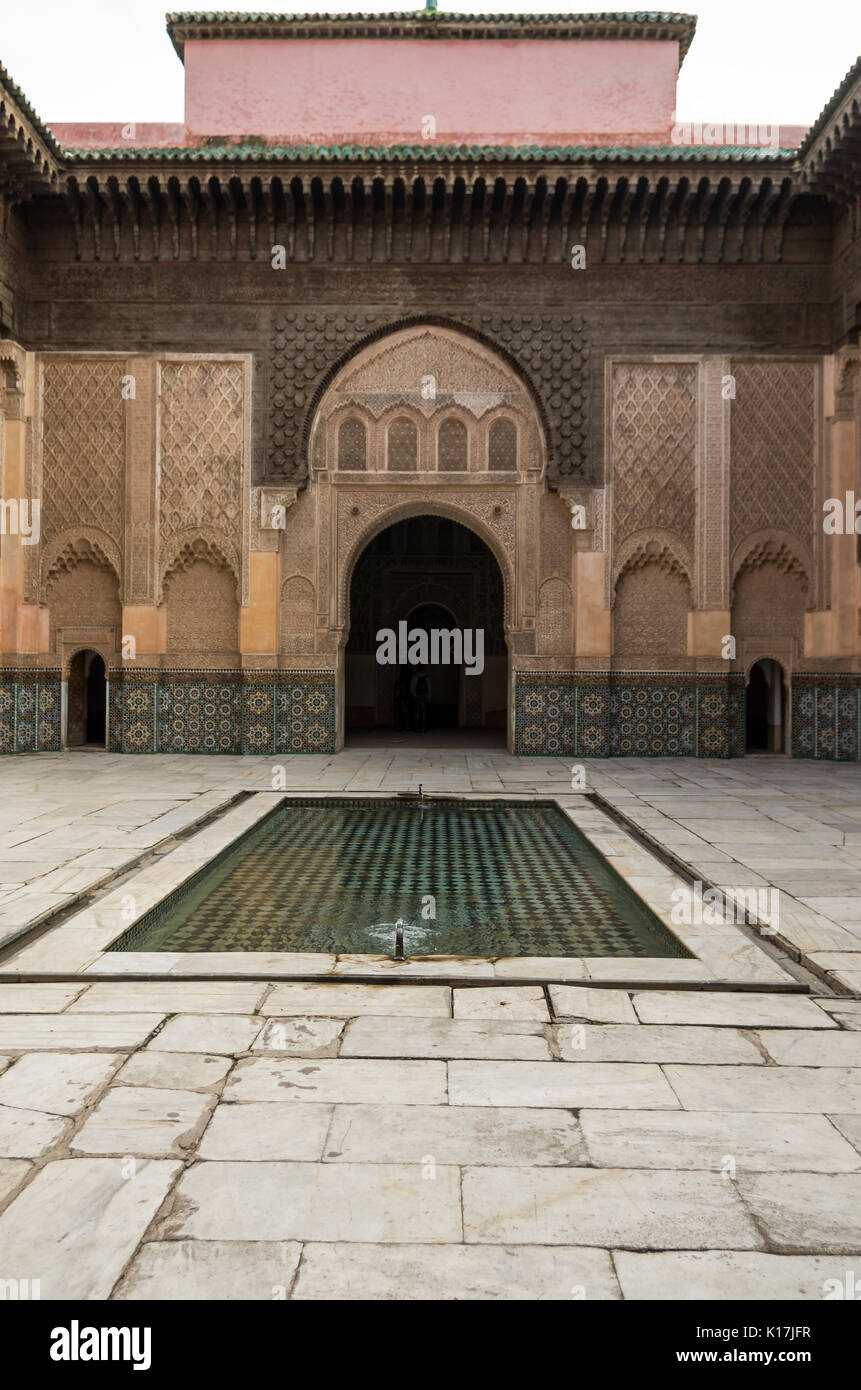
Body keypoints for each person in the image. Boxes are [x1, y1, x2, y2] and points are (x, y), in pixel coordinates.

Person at [411, 667, 431, 733]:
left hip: (417, 696)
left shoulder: (415, 676)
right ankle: (423, 728)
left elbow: (411, 687)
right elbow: (429, 688)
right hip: (424, 696)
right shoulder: (426, 676)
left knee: (417, 713)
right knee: (423, 713)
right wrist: (429, 697)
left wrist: (414, 695)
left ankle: (417, 729)